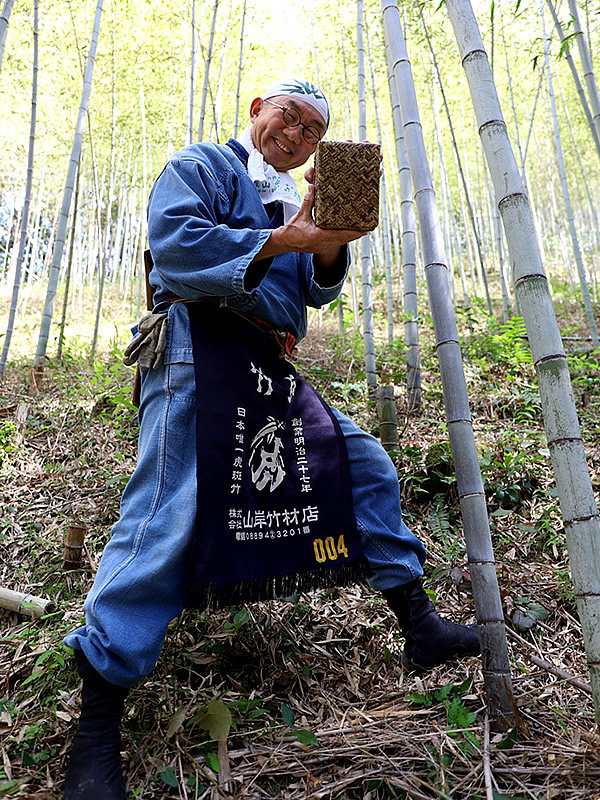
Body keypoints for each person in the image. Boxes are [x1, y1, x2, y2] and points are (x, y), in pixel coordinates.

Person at [62, 77, 479, 800]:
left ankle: (419, 624)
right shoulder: (201, 167)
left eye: (314, 130)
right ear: (258, 107)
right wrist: (287, 236)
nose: (297, 135)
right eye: (289, 117)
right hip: (196, 342)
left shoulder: (296, 198)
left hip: (265, 360)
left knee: (363, 465)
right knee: (168, 510)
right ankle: (95, 726)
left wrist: (325, 242)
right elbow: (177, 244)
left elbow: (313, 292)